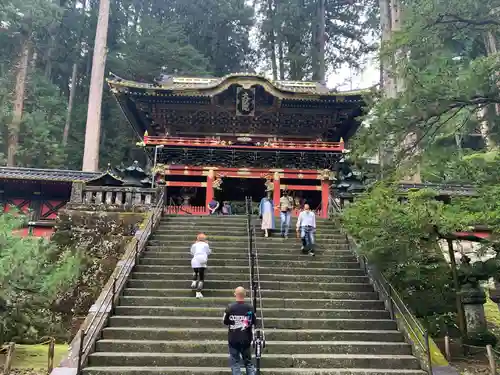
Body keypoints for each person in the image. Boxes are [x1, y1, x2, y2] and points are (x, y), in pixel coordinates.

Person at [223, 287, 256, 375]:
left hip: (233, 339)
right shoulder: (250, 308)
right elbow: (254, 322)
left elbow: (225, 321)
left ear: (235, 294)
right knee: (248, 363)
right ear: (245, 295)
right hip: (246, 339)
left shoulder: (230, 307)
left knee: (235, 363)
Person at [190, 233, 212, 298]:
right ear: (204, 239)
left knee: (195, 272)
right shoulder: (206, 245)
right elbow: (208, 252)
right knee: (201, 278)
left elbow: (192, 252)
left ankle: (194, 281)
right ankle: (198, 292)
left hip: (194, 261)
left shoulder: (194, 245)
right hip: (202, 261)